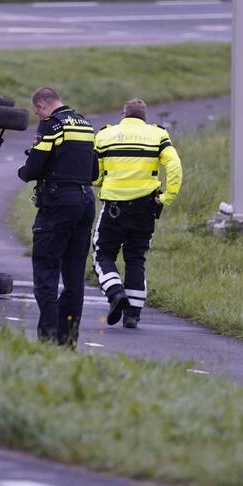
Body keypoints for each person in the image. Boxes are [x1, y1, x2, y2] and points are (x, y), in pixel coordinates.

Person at [17, 87, 98, 348]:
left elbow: (33, 167)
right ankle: (68, 339)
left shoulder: (51, 126)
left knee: (46, 271)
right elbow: (95, 170)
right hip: (85, 202)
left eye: (37, 111)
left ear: (41, 106)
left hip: (58, 204)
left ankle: (48, 339)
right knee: (74, 276)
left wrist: (24, 171)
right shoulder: (85, 124)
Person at [92, 98, 182, 329]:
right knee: (135, 258)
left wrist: (104, 180)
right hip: (146, 207)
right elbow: (174, 167)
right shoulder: (158, 135)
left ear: (124, 114)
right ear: (145, 117)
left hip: (114, 207)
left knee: (102, 254)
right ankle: (133, 314)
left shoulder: (104, 136)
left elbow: (95, 175)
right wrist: (166, 197)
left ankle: (115, 293)